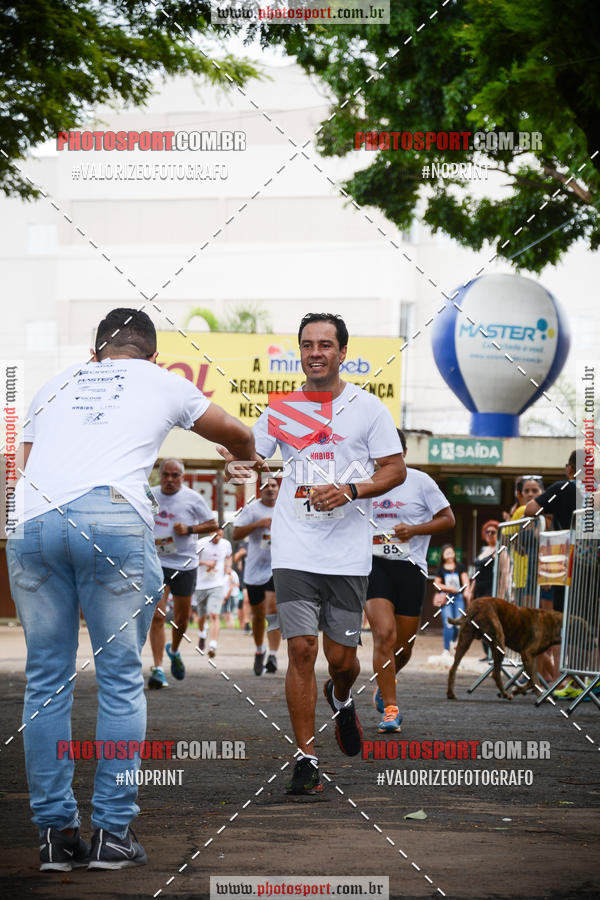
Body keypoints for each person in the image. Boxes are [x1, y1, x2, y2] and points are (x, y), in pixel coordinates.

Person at [6, 308, 255, 870]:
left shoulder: (54, 383)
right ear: (151, 354)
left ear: (96, 353)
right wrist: (242, 462)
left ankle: (55, 837)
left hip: (34, 523)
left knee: (45, 679)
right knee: (120, 676)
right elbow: (238, 433)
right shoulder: (164, 381)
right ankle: (112, 835)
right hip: (113, 519)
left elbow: (15, 470)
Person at [222, 312, 405, 795]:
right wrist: (239, 464)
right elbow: (249, 466)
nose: (316, 352)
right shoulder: (283, 410)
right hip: (294, 546)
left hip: (346, 554)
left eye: (326, 344)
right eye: (308, 344)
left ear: (343, 353)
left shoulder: (368, 409)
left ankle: (341, 698)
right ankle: (305, 758)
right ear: (300, 352)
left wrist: (352, 489)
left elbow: (395, 470)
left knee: (342, 659)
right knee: (301, 649)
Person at [366, 429, 454, 732]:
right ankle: (391, 709)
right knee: (384, 635)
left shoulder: (420, 481)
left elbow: (448, 518)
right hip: (373, 565)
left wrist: (414, 530)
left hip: (410, 567)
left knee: (404, 647)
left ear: (403, 452)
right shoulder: (362, 479)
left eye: (391, 450)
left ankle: (384, 683)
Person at [148, 459, 217, 689]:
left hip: (185, 564)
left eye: (174, 475)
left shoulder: (192, 498)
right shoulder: (151, 494)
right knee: (157, 616)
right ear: (160, 475)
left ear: (182, 477)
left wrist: (189, 529)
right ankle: (158, 669)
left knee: (181, 620)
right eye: (165, 475)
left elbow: (213, 525)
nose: (169, 479)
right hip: (157, 561)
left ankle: (174, 650)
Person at [232, 476, 282, 675]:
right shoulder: (251, 509)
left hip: (276, 566)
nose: (270, 489)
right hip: (254, 568)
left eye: (273, 485)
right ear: (260, 489)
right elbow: (235, 535)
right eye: (266, 486)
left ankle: (273, 655)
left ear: (278, 489)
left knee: (273, 609)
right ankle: (259, 650)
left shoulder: (285, 508)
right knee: (259, 614)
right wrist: (257, 524)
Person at [195, 528, 232, 658]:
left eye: (220, 536)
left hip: (217, 584)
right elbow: (192, 560)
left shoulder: (226, 544)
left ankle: (213, 646)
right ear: (210, 533)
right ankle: (202, 635)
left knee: (214, 614)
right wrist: (206, 563)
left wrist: (228, 568)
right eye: (215, 535)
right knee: (201, 617)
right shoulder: (201, 544)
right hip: (201, 584)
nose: (217, 538)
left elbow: (229, 557)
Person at [433, 544, 470, 655]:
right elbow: (436, 584)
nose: (449, 555)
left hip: (458, 597)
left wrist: (467, 591)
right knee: (448, 622)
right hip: (446, 597)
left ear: (454, 554)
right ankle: (446, 649)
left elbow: (465, 581)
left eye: (451, 552)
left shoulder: (460, 566)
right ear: (443, 555)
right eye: (447, 553)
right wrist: (448, 588)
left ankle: (453, 643)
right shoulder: (440, 568)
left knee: (458, 623)